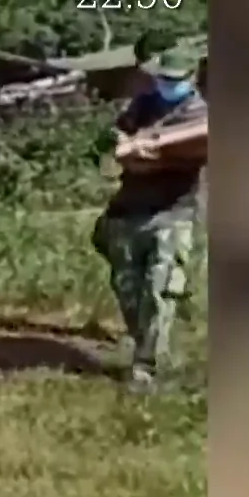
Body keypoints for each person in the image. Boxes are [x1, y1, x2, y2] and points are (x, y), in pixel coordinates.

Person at [96, 35, 207, 394]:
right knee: (127, 288)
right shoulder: (143, 103)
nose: (168, 84)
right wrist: (121, 145)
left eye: (176, 79)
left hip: (172, 212)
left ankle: (146, 370)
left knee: (160, 291)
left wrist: (151, 153)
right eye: (165, 78)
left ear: (192, 76)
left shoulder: (201, 115)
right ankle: (143, 343)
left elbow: (191, 153)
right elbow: (115, 136)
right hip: (129, 210)